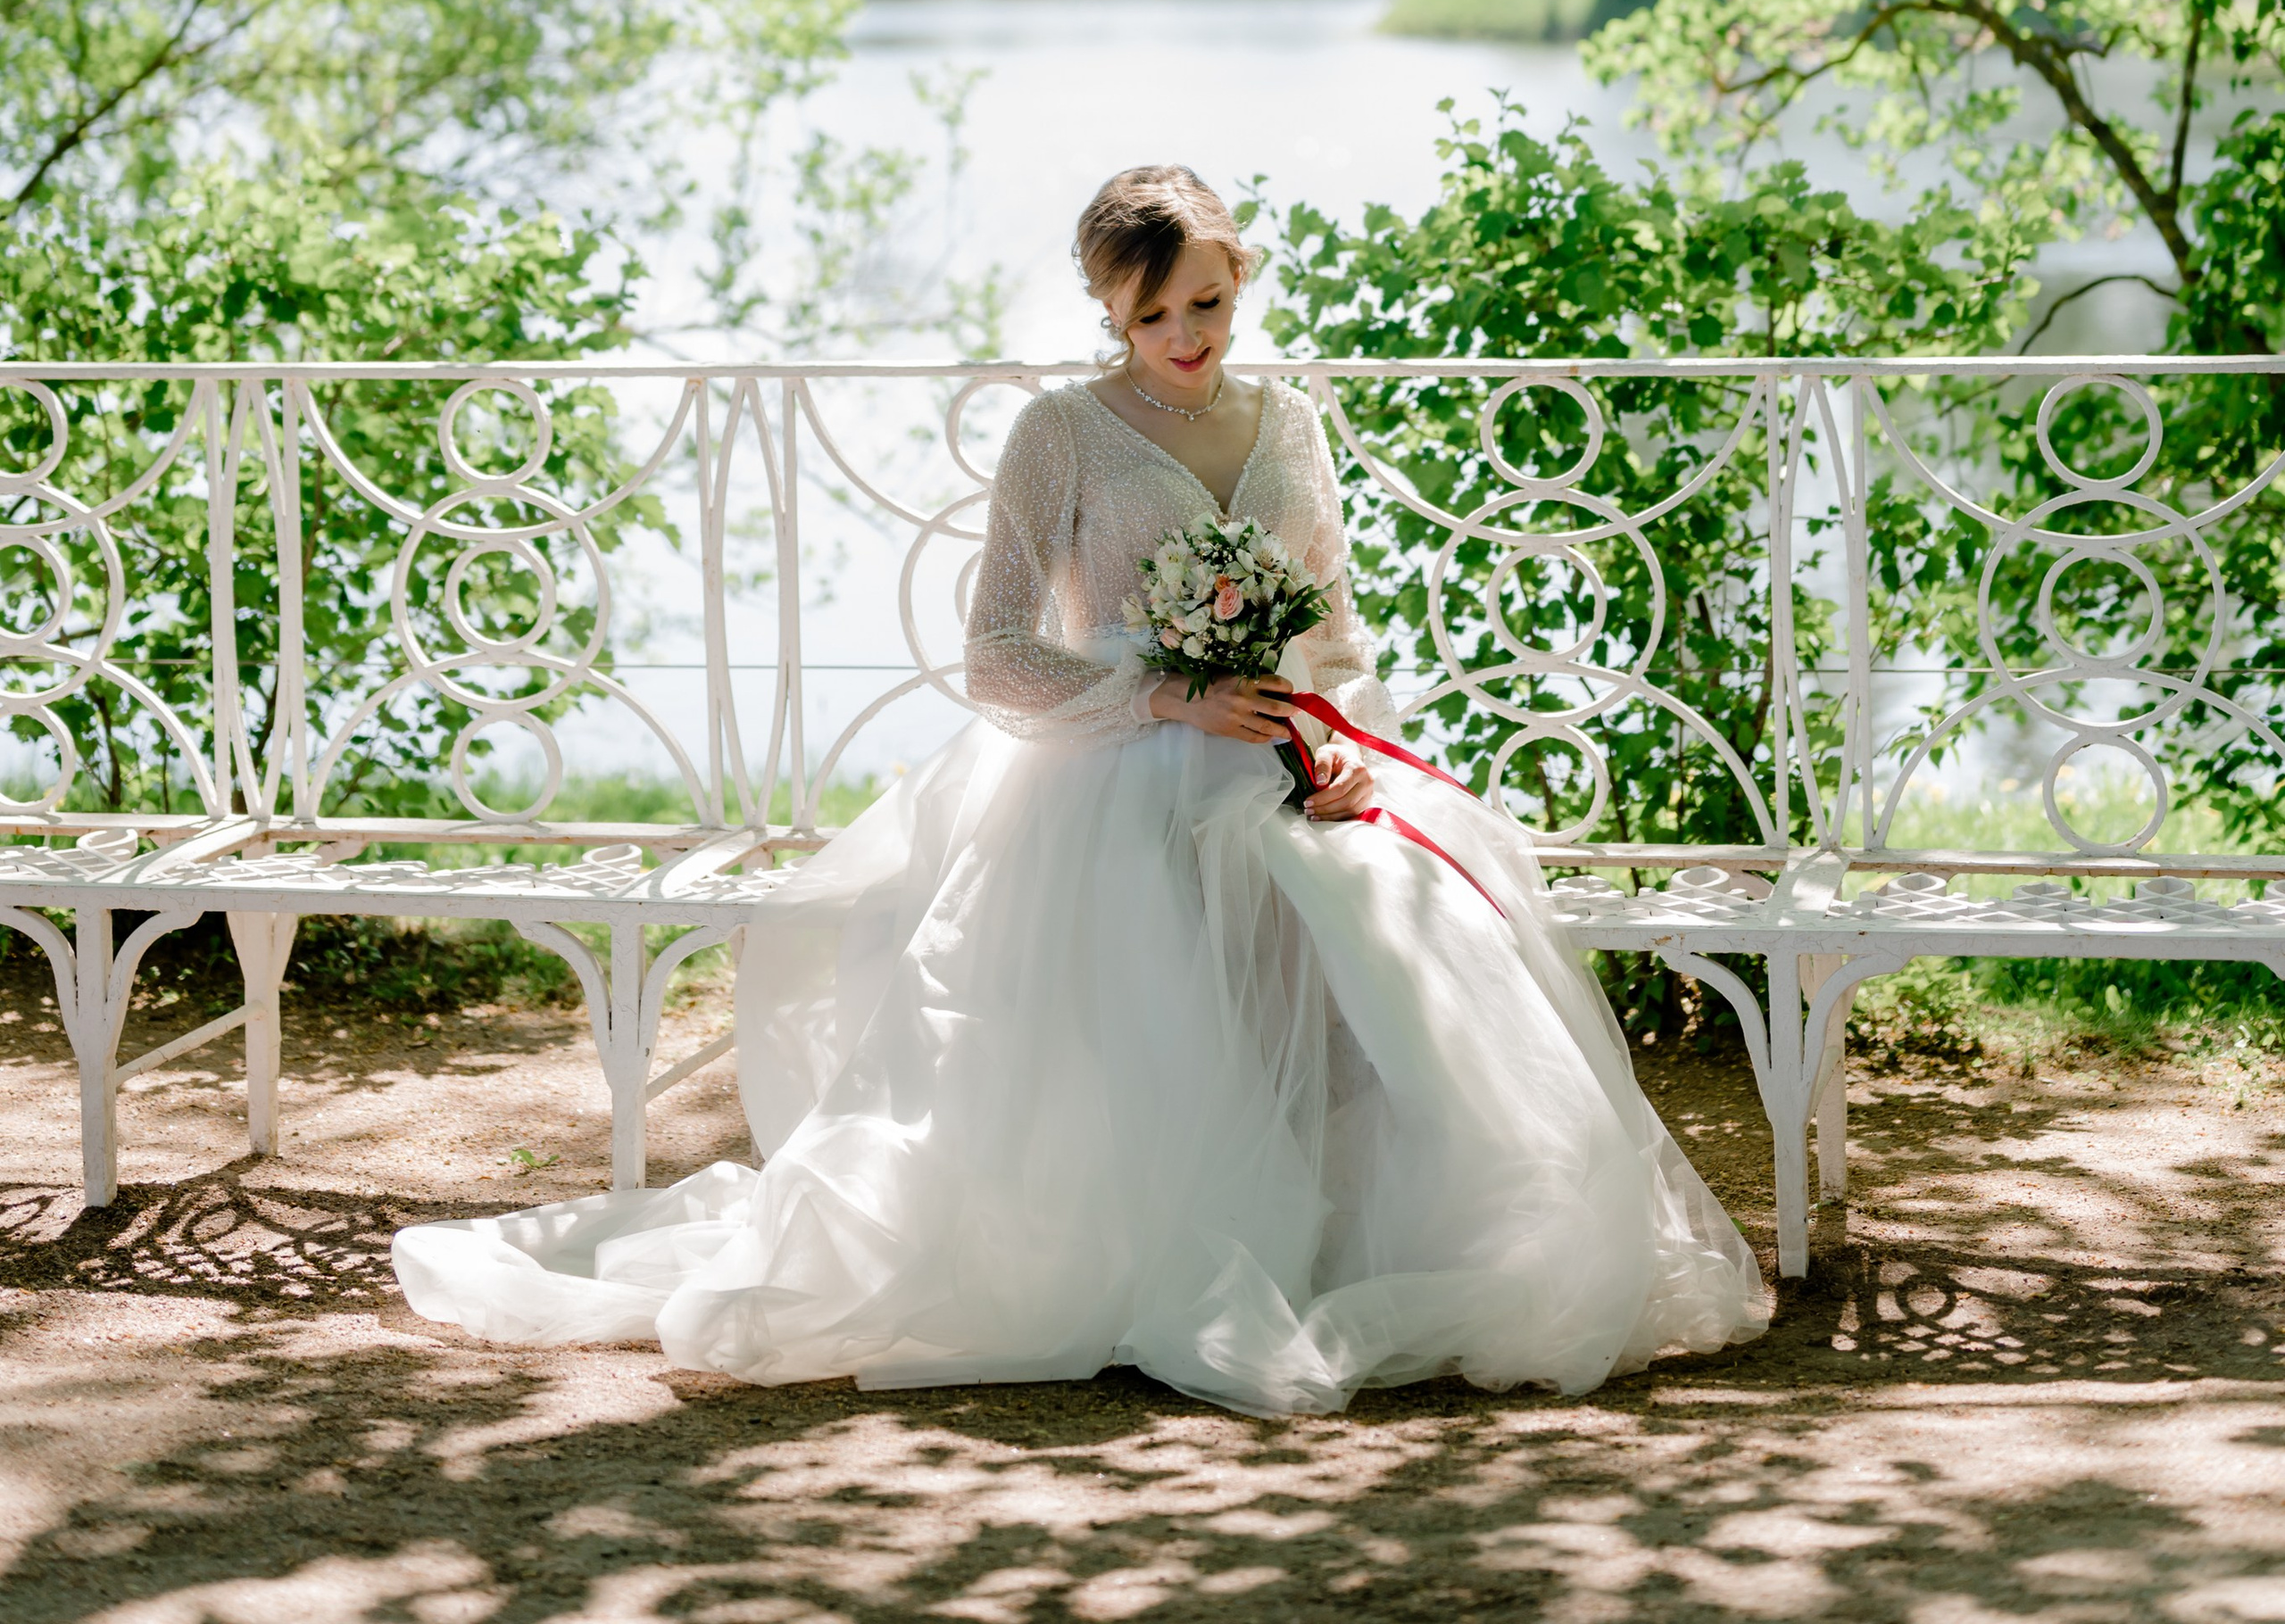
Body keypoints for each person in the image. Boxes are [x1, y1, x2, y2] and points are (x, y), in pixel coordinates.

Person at [394, 162, 1768, 1409]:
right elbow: (993, 656)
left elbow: (1334, 631)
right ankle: (1153, 1249)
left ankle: (1389, 1239)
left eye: (1212, 303)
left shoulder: (1289, 423)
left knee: (1415, 915)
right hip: (1111, 774)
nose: (1190, 336)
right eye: (1159, 311)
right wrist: (1169, 696)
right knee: (1161, 966)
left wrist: (1338, 735)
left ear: (1241, 285)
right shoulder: (1060, 434)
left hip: (1287, 757)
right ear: (1113, 306)